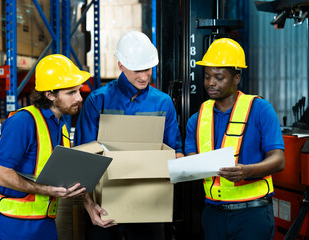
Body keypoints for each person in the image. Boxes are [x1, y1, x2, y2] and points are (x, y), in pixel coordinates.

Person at [74, 30, 183, 240]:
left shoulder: (163, 103)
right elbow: (83, 159)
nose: (144, 76)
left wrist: (178, 168)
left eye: (148, 69)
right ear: (121, 66)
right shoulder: (99, 101)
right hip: (104, 208)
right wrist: (88, 205)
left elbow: (174, 150)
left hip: (149, 208)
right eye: (136, 70)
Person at [185, 38, 285, 240]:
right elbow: (191, 159)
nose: (210, 82)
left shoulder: (260, 110)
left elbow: (279, 159)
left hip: (252, 215)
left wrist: (248, 171)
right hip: (213, 215)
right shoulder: (197, 119)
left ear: (236, 78)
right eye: (207, 76)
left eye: (219, 77)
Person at [0, 54, 91, 240]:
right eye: (71, 93)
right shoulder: (23, 122)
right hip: (11, 230)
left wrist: (90, 204)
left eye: (78, 91)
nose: (79, 98)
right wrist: (47, 190)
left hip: (45, 229)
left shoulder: (62, 126)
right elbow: (0, 174)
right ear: (49, 95)